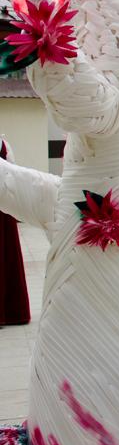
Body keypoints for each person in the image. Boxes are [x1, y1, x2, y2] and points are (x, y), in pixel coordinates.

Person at [0, 139, 30, 327]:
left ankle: (11, 311)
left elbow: (13, 173)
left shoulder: (3, 143)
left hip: (3, 207)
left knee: (6, 254)